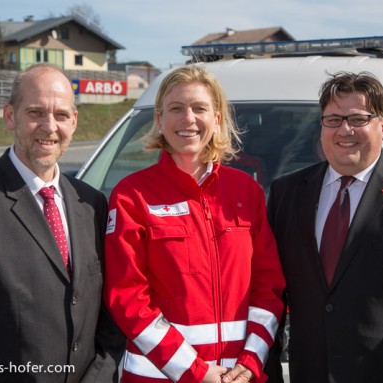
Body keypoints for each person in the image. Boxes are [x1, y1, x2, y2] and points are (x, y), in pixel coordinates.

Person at [103, 65, 285, 383]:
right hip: (160, 377)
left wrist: (251, 359)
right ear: (159, 119)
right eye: (176, 108)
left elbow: (268, 286)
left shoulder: (246, 191)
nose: (188, 119)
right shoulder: (131, 196)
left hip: (239, 377)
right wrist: (194, 371)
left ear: (216, 120)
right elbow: (127, 296)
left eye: (199, 108)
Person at [265, 71, 383, 382]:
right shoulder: (287, 193)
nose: (344, 130)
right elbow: (269, 295)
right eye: (333, 119)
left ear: (382, 124)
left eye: (358, 118)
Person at [0, 63, 125, 382]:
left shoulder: (93, 204)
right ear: (9, 116)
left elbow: (110, 317)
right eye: (35, 112)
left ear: (73, 121)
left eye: (60, 115)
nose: (49, 126)